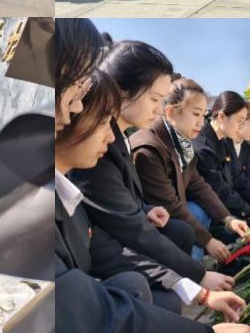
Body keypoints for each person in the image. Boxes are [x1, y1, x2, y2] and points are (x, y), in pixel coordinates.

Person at [53, 20, 250, 333]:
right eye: (75, 94)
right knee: (143, 281)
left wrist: (199, 290)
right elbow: (88, 306)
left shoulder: (124, 149)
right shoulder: (140, 146)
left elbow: (109, 246)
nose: (74, 108)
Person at [72, 40, 237, 294]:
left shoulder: (122, 136)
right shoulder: (101, 146)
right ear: (122, 91)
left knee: (180, 232)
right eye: (155, 99)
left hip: (121, 234)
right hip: (105, 247)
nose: (158, 109)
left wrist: (146, 209)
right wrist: (199, 276)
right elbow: (129, 227)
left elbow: (194, 184)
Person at [132, 77, 250, 264]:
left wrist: (228, 219)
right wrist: (208, 241)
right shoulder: (149, 150)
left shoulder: (181, 142)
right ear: (171, 112)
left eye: (203, 115)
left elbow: (198, 184)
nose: (201, 123)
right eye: (196, 114)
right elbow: (170, 205)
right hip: (149, 229)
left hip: (173, 220)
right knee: (192, 220)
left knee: (199, 212)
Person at [195, 91, 250, 223]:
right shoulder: (204, 147)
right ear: (221, 117)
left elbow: (237, 177)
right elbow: (220, 189)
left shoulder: (224, 141)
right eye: (239, 121)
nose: (241, 126)